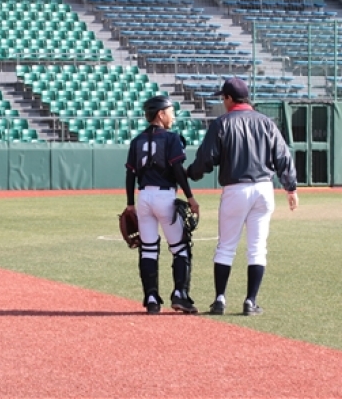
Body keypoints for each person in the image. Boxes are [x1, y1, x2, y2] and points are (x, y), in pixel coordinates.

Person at [186, 77, 298, 317]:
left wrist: (190, 174)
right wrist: (291, 188)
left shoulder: (222, 123)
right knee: (257, 248)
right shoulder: (266, 122)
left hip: (236, 189)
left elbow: (206, 158)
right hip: (263, 188)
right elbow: (283, 156)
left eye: (223, 98)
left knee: (226, 247)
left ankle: (219, 300)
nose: (222, 102)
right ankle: (250, 301)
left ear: (229, 98)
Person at [125, 95, 200, 315]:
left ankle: (151, 299)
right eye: (171, 111)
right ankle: (180, 295)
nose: (173, 116)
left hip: (143, 197)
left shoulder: (137, 141)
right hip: (165, 197)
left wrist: (130, 204)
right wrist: (190, 197)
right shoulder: (171, 138)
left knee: (148, 249)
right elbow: (177, 170)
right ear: (160, 114)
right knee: (180, 248)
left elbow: (130, 175)